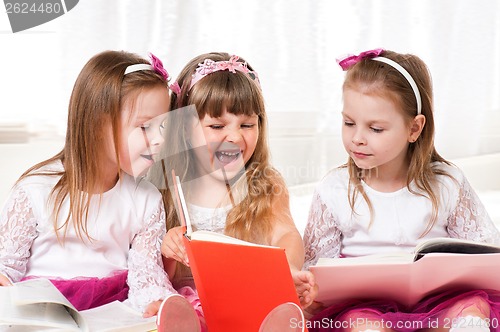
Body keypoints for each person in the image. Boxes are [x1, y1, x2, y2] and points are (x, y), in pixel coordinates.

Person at [302, 49, 500, 331]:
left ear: (414, 128)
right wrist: (313, 293)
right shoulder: (334, 189)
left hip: (441, 301)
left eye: (376, 129)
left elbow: (488, 256)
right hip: (364, 305)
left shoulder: (447, 183)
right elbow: (316, 269)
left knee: (473, 311)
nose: (357, 138)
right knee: (362, 325)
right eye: (348, 123)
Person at [0, 50, 178, 317]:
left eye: (162, 128)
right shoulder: (35, 190)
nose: (158, 140)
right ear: (98, 123)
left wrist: (155, 302)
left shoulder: (147, 199)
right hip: (44, 311)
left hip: (113, 310)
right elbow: (8, 264)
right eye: (144, 127)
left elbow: (146, 274)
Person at [148, 52, 316, 331]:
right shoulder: (167, 188)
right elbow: (155, 269)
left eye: (247, 125)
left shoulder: (264, 184)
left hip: (250, 298)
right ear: (187, 130)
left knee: (277, 314)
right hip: (191, 303)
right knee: (175, 313)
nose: (236, 137)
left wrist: (287, 270)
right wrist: (169, 247)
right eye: (217, 126)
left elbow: (286, 233)